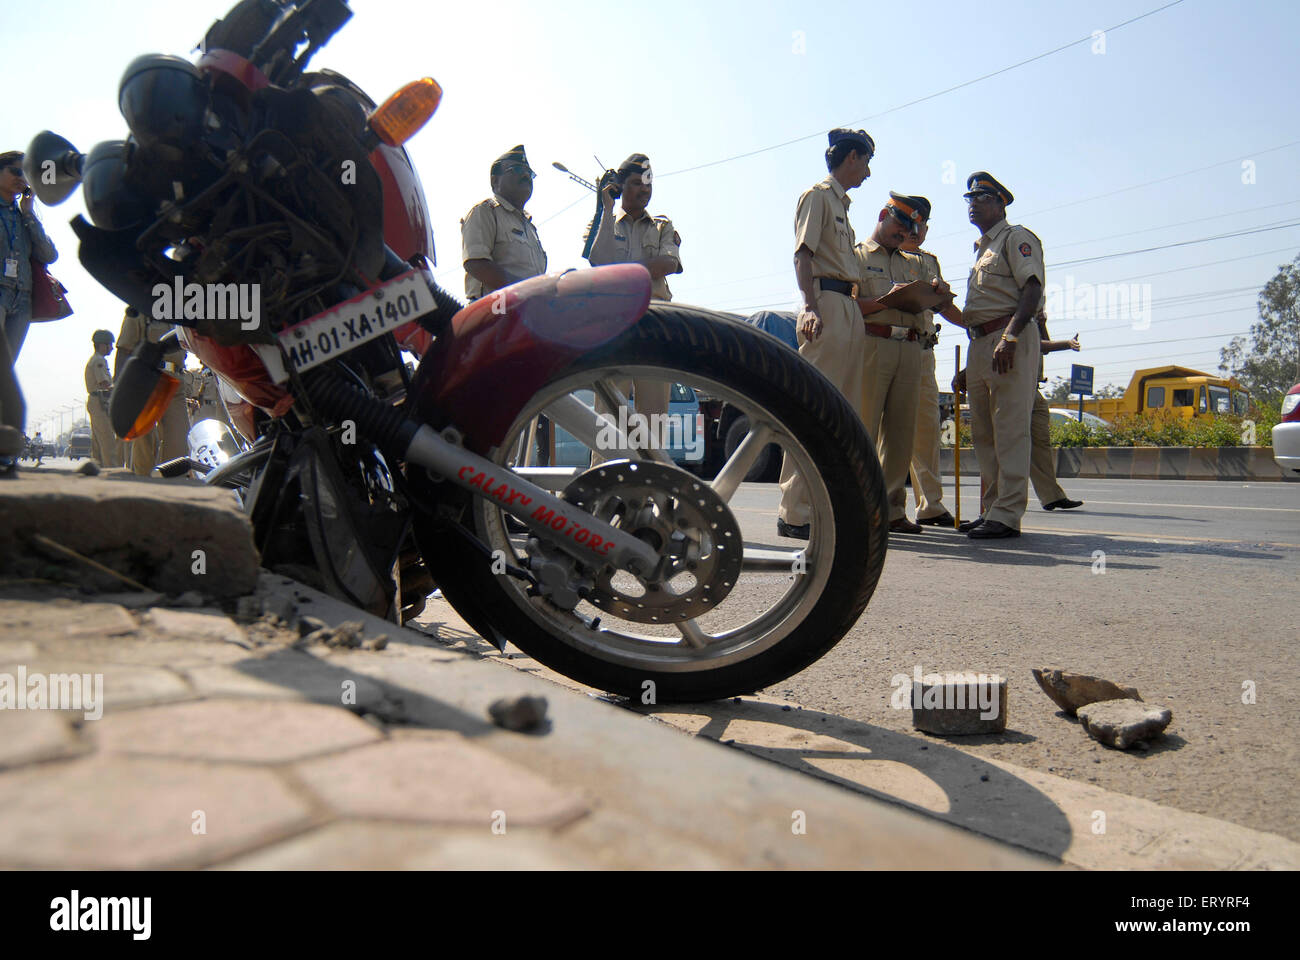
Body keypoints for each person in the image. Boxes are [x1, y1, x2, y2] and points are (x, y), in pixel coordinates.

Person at [776, 128, 874, 540]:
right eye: (866, 162)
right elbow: (803, 254)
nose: (868, 172)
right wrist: (810, 306)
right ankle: (793, 511)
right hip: (827, 305)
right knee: (815, 411)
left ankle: (823, 507)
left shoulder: (842, 207)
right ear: (852, 157)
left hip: (849, 307)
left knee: (842, 415)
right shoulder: (817, 196)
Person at [956, 172, 1045, 539]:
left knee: (1009, 430)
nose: (973, 204)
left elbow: (1032, 288)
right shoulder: (982, 249)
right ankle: (991, 508)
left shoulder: (1016, 238)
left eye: (982, 197)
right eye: (970, 198)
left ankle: (1007, 514)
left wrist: (1010, 336)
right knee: (985, 434)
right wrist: (970, 365)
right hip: (981, 343)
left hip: (1009, 337)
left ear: (1000, 204)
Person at [584, 153, 682, 450]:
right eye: (637, 183)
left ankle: (649, 478)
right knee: (608, 421)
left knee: (653, 421)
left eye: (648, 183)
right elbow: (598, 260)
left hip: (654, 324)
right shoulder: (603, 222)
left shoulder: (662, 226)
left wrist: (620, 272)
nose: (644, 189)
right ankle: (606, 478)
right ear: (620, 185)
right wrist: (606, 207)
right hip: (613, 327)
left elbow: (668, 263)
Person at [852, 192, 929, 533]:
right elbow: (848, 304)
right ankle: (858, 509)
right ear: (883, 215)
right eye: (901, 225)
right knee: (864, 428)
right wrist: (887, 300)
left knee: (901, 434)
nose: (905, 233)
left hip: (910, 346)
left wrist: (934, 292)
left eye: (910, 229)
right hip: (873, 344)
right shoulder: (856, 255)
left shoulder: (913, 263)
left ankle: (893, 510)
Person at [902, 197, 964, 528]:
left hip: (923, 350)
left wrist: (973, 324)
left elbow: (944, 307)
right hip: (888, 346)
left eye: (922, 224)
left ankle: (930, 505)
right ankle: (884, 506)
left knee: (926, 430)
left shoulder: (930, 261)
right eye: (910, 223)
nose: (916, 230)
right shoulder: (879, 255)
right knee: (886, 431)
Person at [0, 150, 58, 467]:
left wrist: (29, 213)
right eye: (15, 171)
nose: (22, 178)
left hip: (21, 300)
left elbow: (49, 254)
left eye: (25, 173)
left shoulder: (24, 216)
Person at [460, 145, 548, 301]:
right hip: (494, 310)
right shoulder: (486, 212)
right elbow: (476, 264)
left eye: (529, 173)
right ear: (495, 181)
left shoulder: (530, 227)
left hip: (528, 311)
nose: (526, 176)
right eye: (517, 170)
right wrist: (525, 291)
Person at [115, 306, 190, 477]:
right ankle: (144, 485)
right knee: (144, 442)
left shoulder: (181, 312)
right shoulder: (140, 308)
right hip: (148, 377)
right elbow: (124, 349)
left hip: (176, 381)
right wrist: (120, 387)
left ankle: (171, 484)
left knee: (179, 439)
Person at [1031, 309, 1084, 511]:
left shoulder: (1032, 319)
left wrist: (1041, 323)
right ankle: (1000, 501)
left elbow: (1044, 347)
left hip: (1033, 389)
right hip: (1016, 387)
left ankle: (1051, 496)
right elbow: (1034, 345)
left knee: (1041, 445)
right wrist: (1067, 344)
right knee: (1013, 445)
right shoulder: (1013, 316)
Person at [85, 329, 122, 467]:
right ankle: (111, 471)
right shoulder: (99, 361)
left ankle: (98, 469)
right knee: (108, 442)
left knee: (98, 443)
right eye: (109, 345)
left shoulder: (97, 360)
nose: (111, 348)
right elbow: (104, 384)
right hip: (100, 402)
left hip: (97, 401)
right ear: (101, 345)